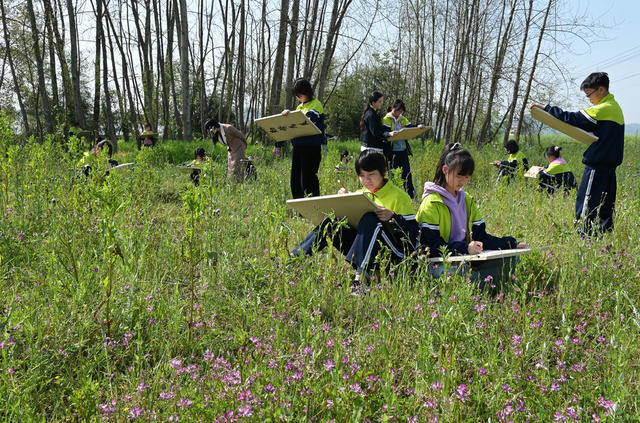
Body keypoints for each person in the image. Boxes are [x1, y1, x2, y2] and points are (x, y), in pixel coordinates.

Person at [291, 150, 418, 292]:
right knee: (331, 222)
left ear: (383, 172)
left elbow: (413, 236)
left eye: (371, 175)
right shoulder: (360, 194)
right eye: (362, 176)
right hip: (365, 249)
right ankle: (292, 262)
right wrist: (343, 201)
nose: (366, 180)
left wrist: (393, 217)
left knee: (371, 218)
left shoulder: (399, 196)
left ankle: (361, 280)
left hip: (392, 256)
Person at [417, 143, 527, 287]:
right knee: (457, 275)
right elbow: (431, 248)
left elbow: (481, 237)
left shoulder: (467, 200)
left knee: (514, 261)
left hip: (464, 258)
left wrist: (512, 244)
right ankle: (478, 284)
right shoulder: (431, 203)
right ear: (445, 170)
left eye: (467, 177)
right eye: (459, 176)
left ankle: (479, 282)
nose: (463, 181)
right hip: (438, 263)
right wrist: (465, 249)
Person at [530, 72, 624, 235]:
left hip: (596, 167)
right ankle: (604, 239)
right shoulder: (616, 108)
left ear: (601, 90)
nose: (589, 99)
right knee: (606, 207)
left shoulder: (602, 109)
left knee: (587, 203)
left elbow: (572, 118)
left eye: (589, 94)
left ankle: (583, 237)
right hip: (610, 168)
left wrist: (546, 108)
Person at [281, 78, 326, 198]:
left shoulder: (316, 105)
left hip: (311, 148)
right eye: (296, 95)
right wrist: (287, 115)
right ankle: (300, 210)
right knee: (295, 179)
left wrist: (292, 117)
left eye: (299, 94)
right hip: (298, 147)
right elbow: (294, 123)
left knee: (307, 179)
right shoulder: (300, 107)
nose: (297, 97)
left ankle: (314, 207)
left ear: (307, 92)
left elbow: (307, 121)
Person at [382, 99, 424, 198]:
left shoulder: (402, 118)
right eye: (398, 111)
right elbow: (383, 133)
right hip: (392, 152)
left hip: (403, 151)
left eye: (401, 111)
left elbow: (410, 127)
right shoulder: (386, 119)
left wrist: (418, 126)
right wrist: (389, 133)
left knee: (407, 173)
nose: (399, 113)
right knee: (392, 174)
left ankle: (411, 196)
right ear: (393, 108)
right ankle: (392, 196)